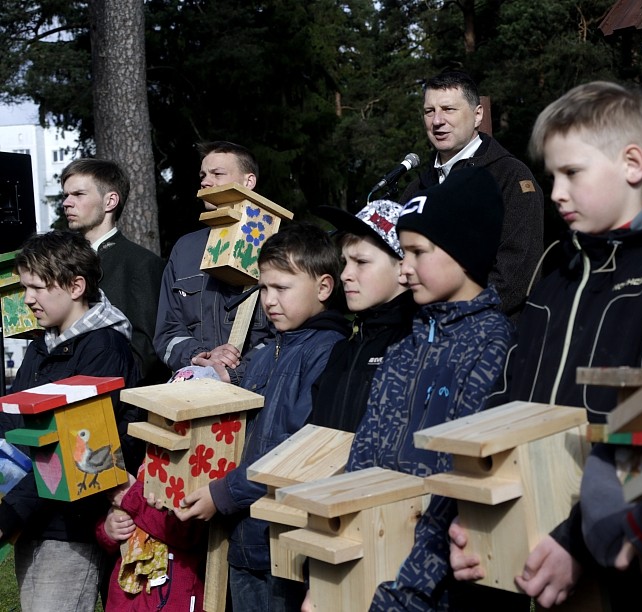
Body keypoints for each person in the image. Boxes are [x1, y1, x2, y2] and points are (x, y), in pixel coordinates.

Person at [448, 81, 642, 610]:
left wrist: (578, 541)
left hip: (617, 569)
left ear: (633, 164)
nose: (557, 193)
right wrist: (473, 513)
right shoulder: (553, 276)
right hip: (522, 550)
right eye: (552, 176)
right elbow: (507, 400)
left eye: (572, 173)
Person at [343, 167, 513, 611]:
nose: (405, 267)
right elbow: (361, 460)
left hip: (442, 592)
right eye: (403, 253)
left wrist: (407, 591)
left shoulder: (494, 345)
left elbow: (459, 483)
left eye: (418, 252)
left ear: (463, 252)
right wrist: (341, 575)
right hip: (376, 577)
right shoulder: (405, 349)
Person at [175, 223, 349, 610]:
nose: (269, 300)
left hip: (288, 544)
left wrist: (224, 494)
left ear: (323, 287)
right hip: (243, 537)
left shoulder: (327, 352)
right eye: (264, 288)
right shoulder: (267, 350)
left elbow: (297, 451)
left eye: (282, 288)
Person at [0, 230, 140, 612]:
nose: (28, 299)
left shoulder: (104, 350)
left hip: (71, 526)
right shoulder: (41, 346)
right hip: (34, 518)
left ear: (76, 285)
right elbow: (13, 426)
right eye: (25, 287)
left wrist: (10, 511)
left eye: (38, 287)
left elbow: (83, 451)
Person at [399, 71, 544, 317]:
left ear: (478, 115)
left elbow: (516, 274)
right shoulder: (416, 190)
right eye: (429, 111)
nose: (437, 121)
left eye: (448, 109)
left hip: (493, 338)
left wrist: (456, 317)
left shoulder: (510, 178)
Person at [153, 141, 272, 383]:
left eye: (218, 174)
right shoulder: (185, 249)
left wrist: (237, 372)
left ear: (249, 182)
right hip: (195, 393)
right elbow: (167, 332)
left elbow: (286, 335)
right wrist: (200, 357)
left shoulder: (277, 246)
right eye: (203, 175)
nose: (206, 182)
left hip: (259, 395)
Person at [309, 199, 417, 432]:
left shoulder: (420, 345)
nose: (346, 274)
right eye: (345, 262)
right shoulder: (342, 349)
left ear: (402, 267)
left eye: (361, 262)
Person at [61, 158, 166, 384]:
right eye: (66, 195)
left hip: (115, 401)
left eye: (78, 195)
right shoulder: (62, 263)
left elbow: (145, 351)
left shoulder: (141, 264)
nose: (67, 203)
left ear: (110, 201)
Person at [96, 471, 206, 611]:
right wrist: (107, 530)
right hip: (124, 599)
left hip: (171, 595)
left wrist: (132, 496)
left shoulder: (190, 470)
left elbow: (187, 532)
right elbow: (106, 532)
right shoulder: (134, 461)